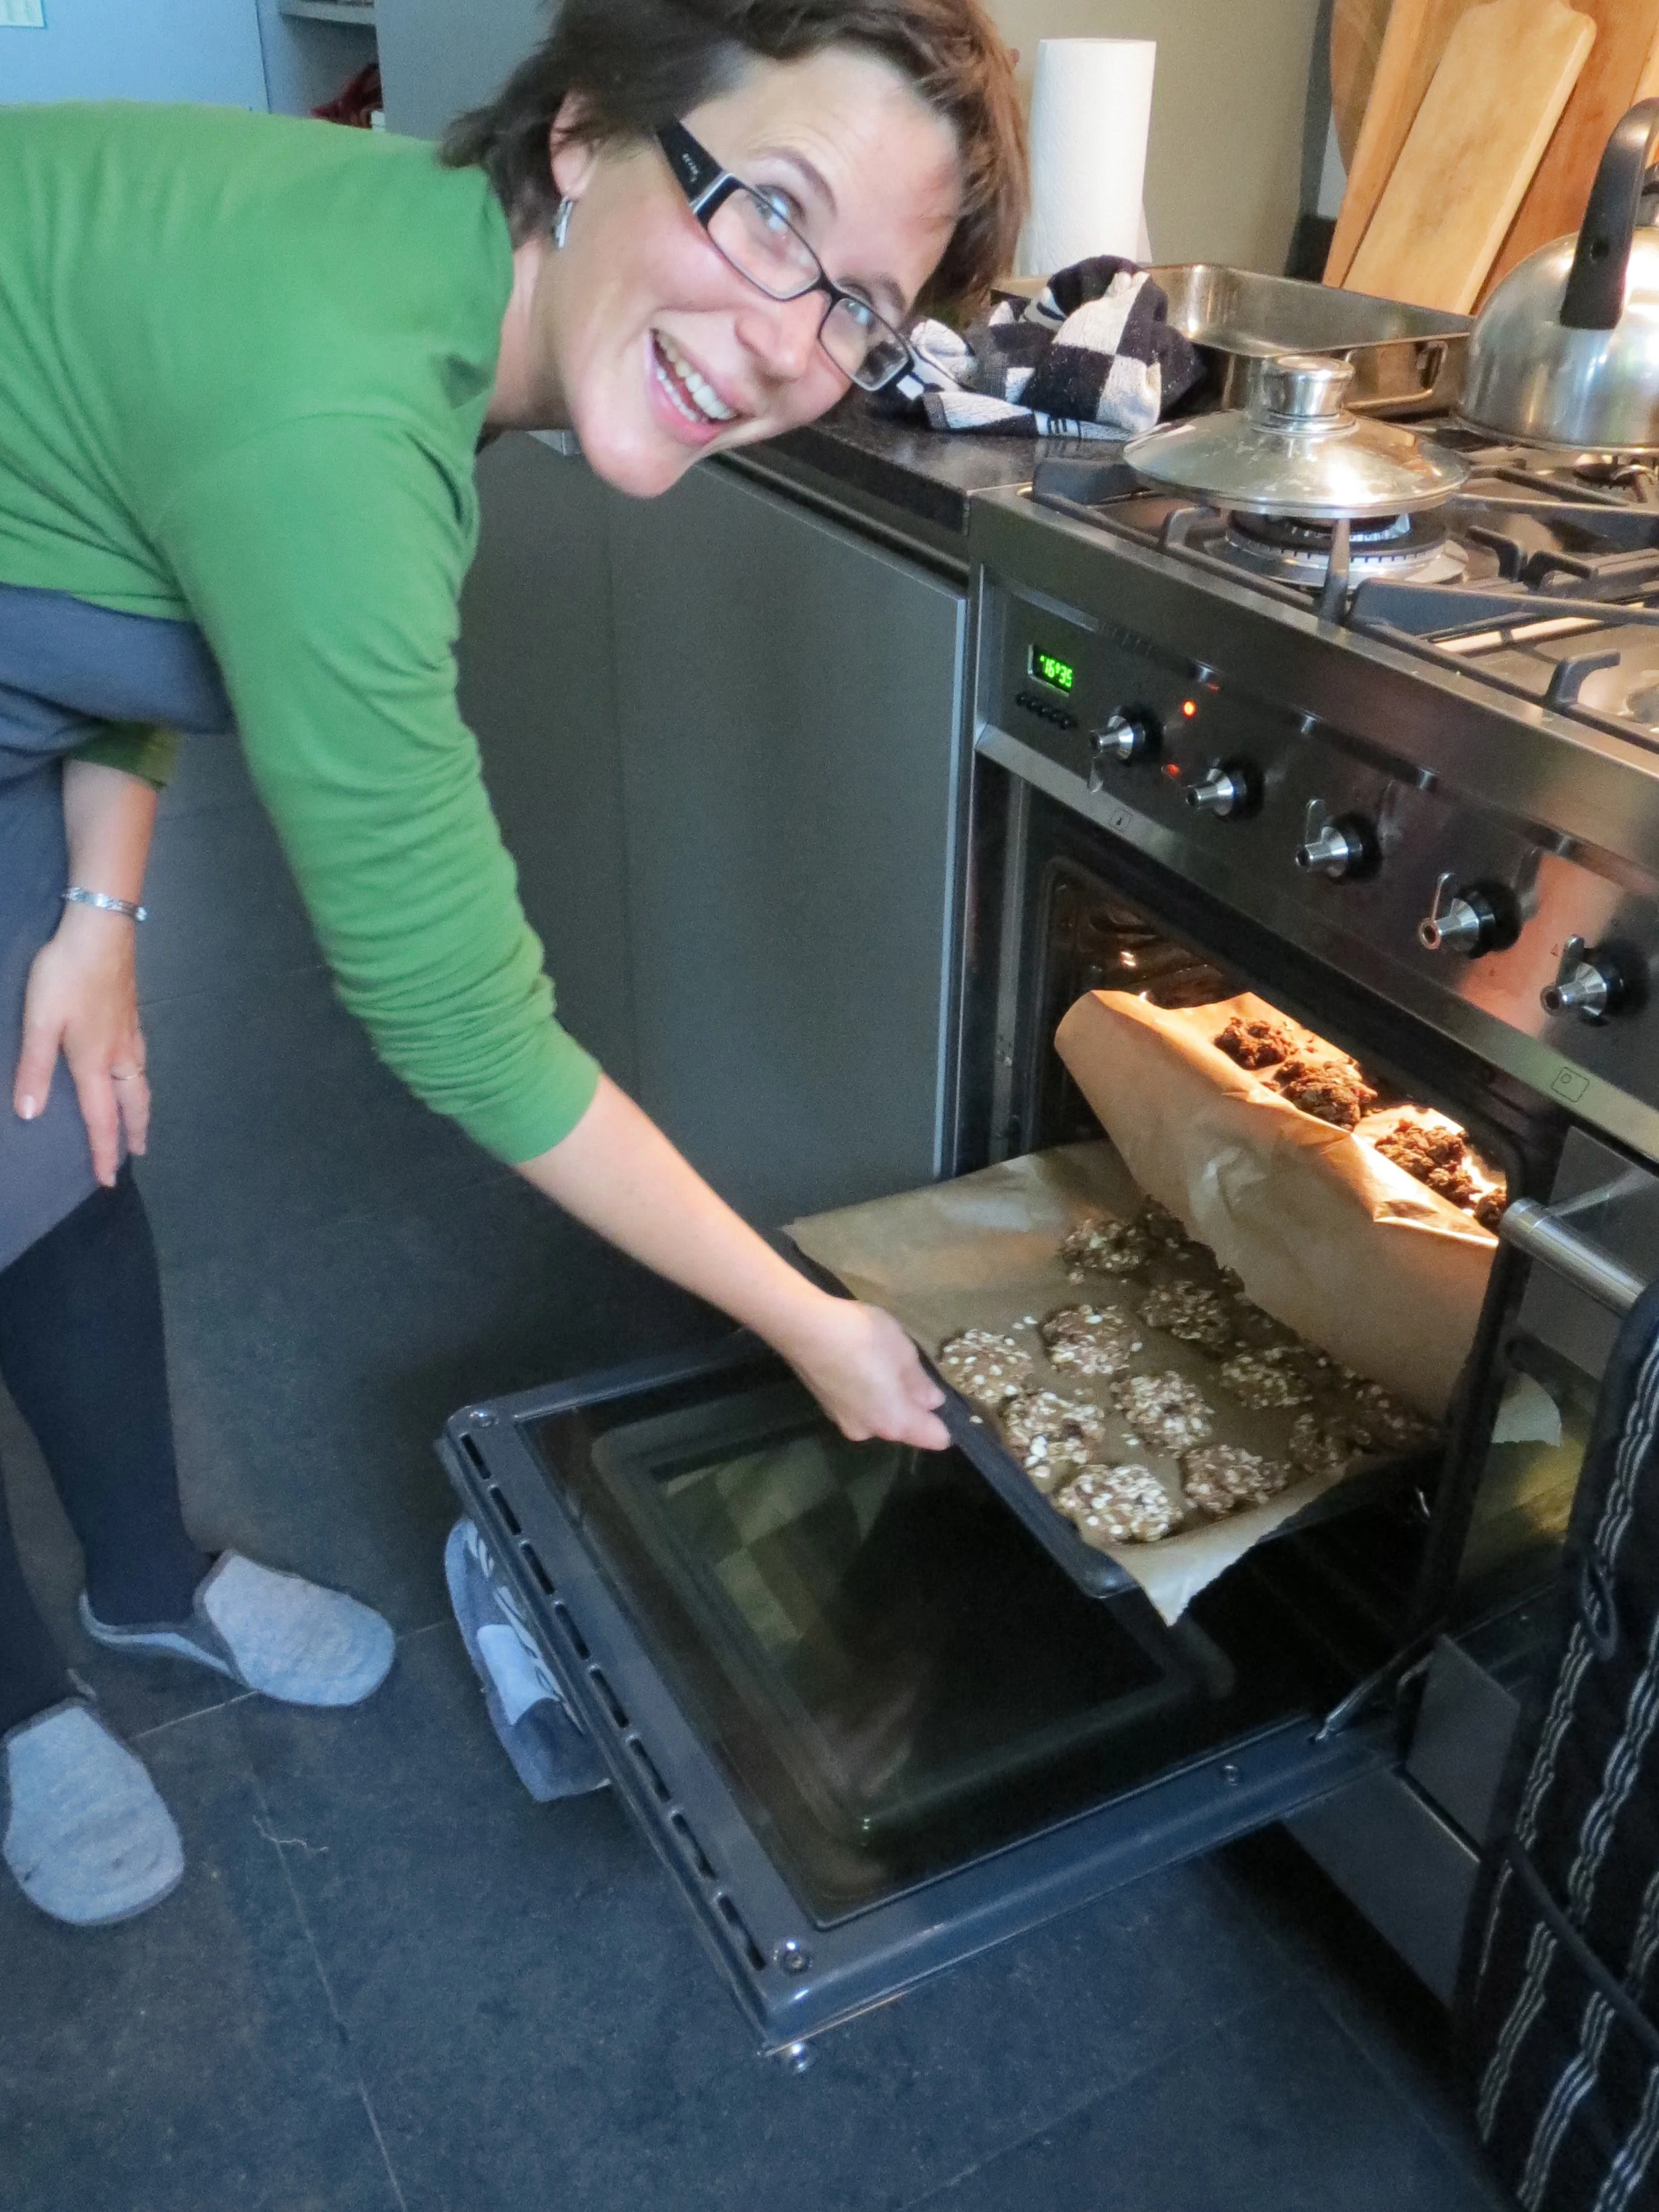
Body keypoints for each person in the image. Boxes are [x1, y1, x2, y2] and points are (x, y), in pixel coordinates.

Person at [0, 0, 1026, 1923]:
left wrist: (98, 907)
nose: (792, 348)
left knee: (50, 1139)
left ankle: (145, 1578)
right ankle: (10, 1708)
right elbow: (451, 1008)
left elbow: (114, 517)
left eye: (864, 310)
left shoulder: (427, 286)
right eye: (770, 215)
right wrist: (811, 1319)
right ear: (583, 133)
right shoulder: (337, 394)